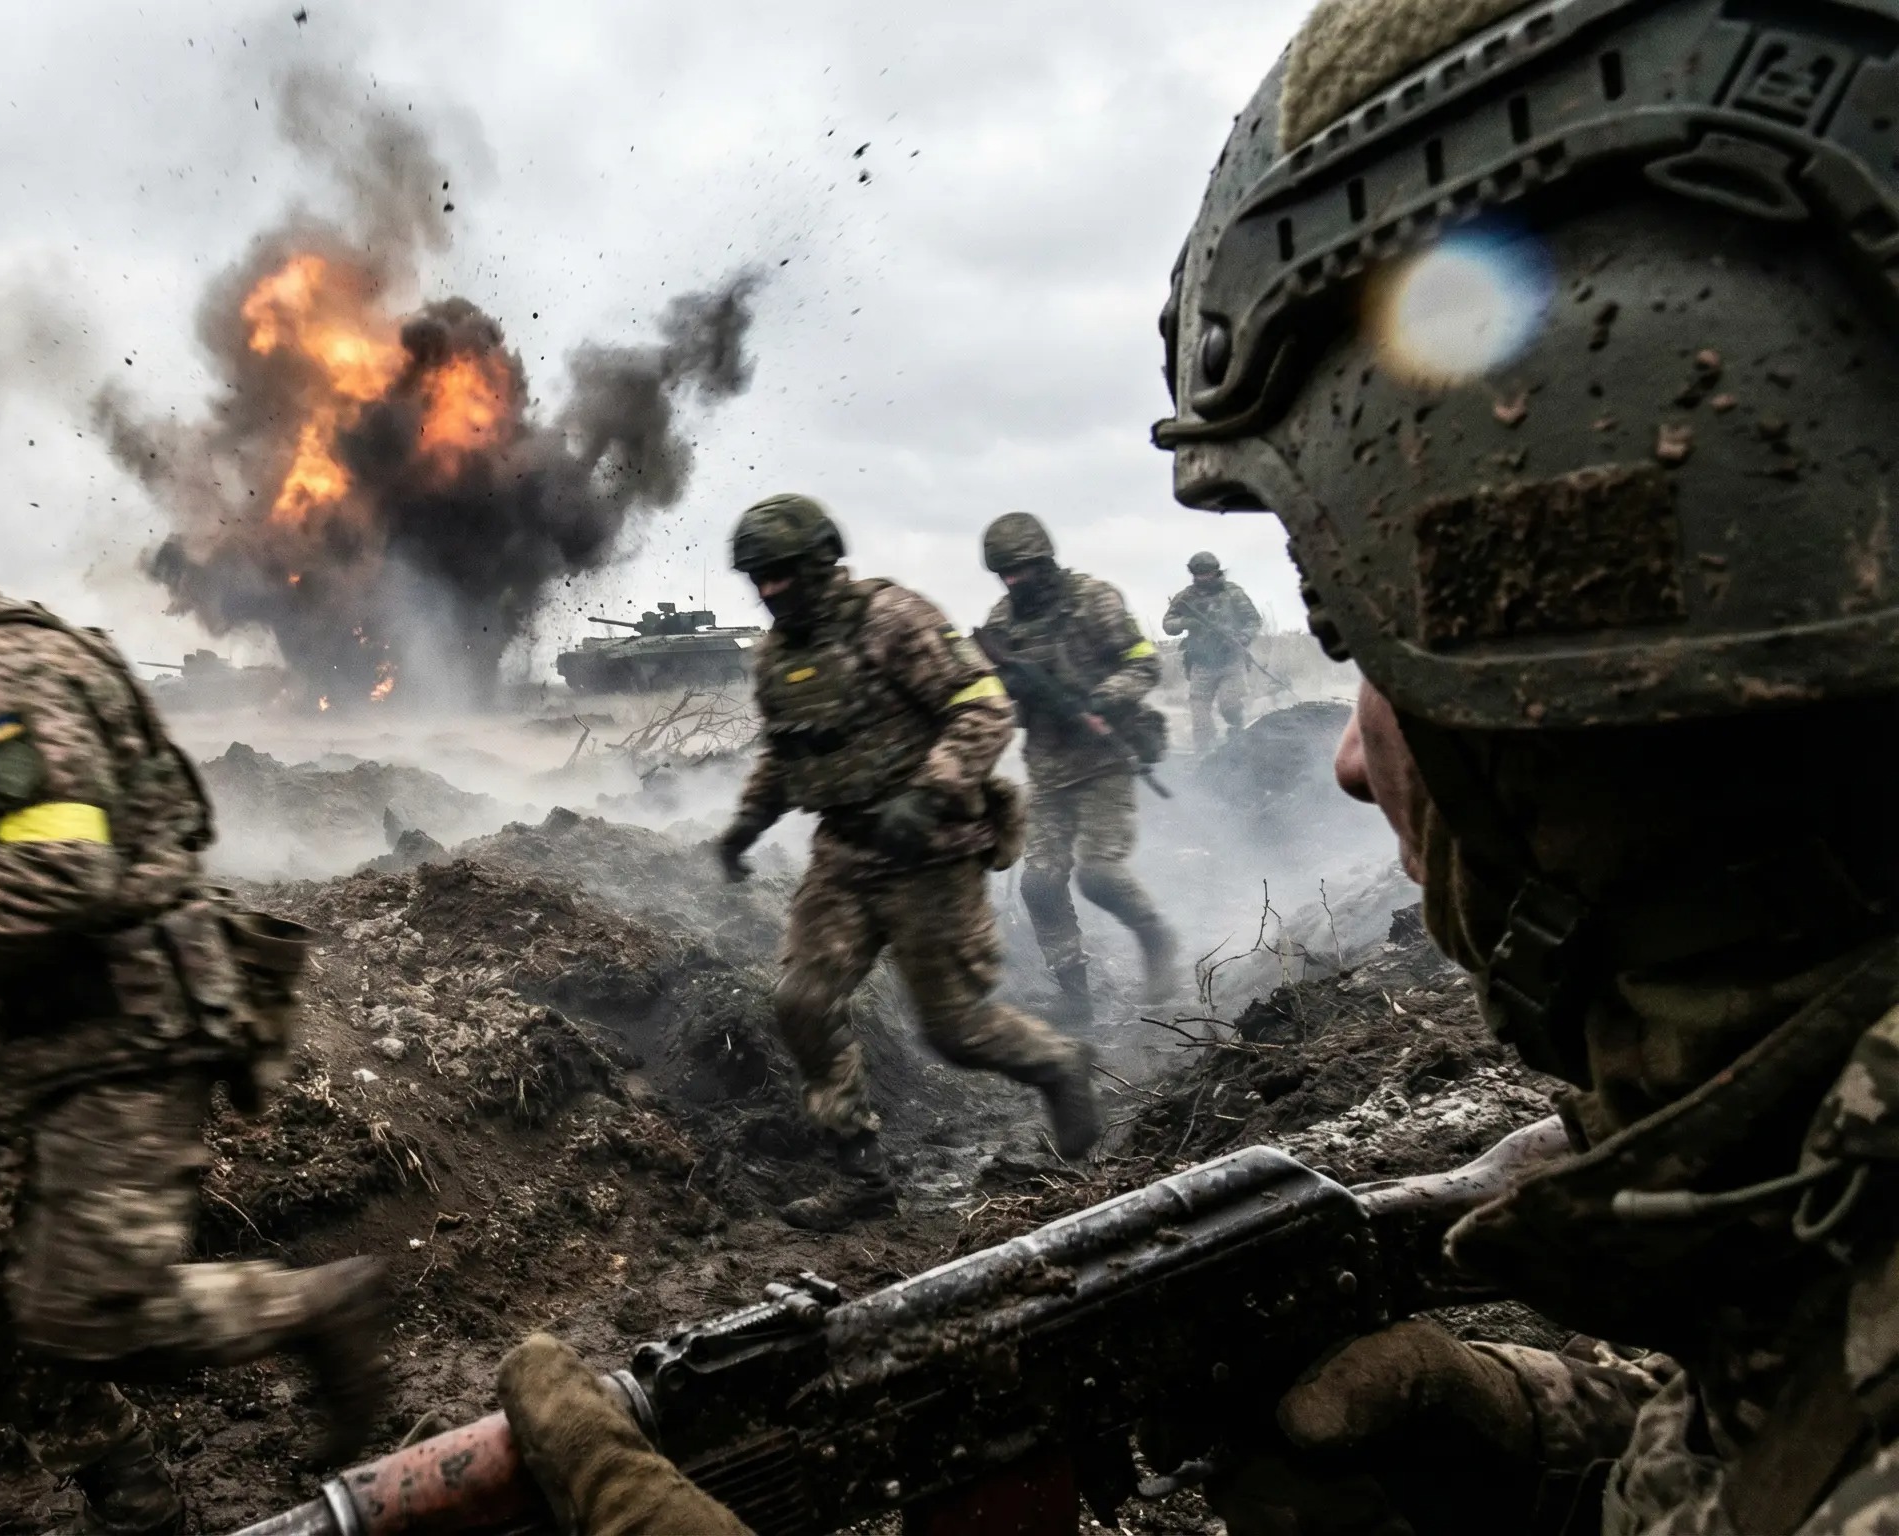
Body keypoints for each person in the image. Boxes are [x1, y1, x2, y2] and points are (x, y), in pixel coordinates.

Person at [497, 0, 1899, 1526]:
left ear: (1600, 668)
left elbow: (1005, 701)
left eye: (1372, 639)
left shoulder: (943, 619)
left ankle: (1071, 1049)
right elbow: (1770, 1431)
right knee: (860, 977)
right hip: (879, 840)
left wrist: (989, 765)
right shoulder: (1824, 1216)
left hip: (983, 813)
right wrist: (1529, 1445)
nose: (1354, 759)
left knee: (1012, 970)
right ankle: (935, 1097)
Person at [0, 456, 389, 1534]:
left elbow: (59, 873)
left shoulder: (5, 677)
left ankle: (319, 1309)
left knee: (88, 1315)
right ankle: (130, 1491)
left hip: (137, 1014)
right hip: (41, 1020)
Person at [714, 492, 1098, 1231]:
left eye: (782, 572)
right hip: (844, 855)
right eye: (758, 578)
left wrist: (929, 792)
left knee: (953, 1029)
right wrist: (746, 825)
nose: (770, 590)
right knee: (801, 1002)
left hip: (932, 854)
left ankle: (1057, 1064)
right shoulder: (776, 656)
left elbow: (983, 705)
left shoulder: (893, 619)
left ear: (821, 558)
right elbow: (786, 754)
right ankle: (861, 1177)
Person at [979, 512, 1179, 1026]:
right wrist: (1010, 691)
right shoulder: (1002, 621)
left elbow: (1144, 661)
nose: (1014, 581)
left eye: (1022, 570)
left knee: (1099, 875)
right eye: (1004, 574)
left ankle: (1156, 939)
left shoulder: (1093, 599)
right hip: (1049, 772)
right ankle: (1076, 997)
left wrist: (1104, 698)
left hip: (1106, 761)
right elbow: (988, 691)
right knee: (1039, 885)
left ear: (1045, 560)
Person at [1161, 551, 1262, 749]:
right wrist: (1187, 622)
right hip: (1201, 664)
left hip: (1231, 660)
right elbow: (1168, 624)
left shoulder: (1233, 593)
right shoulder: (1185, 597)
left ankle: (1237, 734)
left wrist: (1242, 637)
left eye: (1207, 573)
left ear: (1216, 571)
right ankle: (1204, 756)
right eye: (1199, 574)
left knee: (1230, 705)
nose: (1203, 578)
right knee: (1200, 719)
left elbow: (1254, 620)